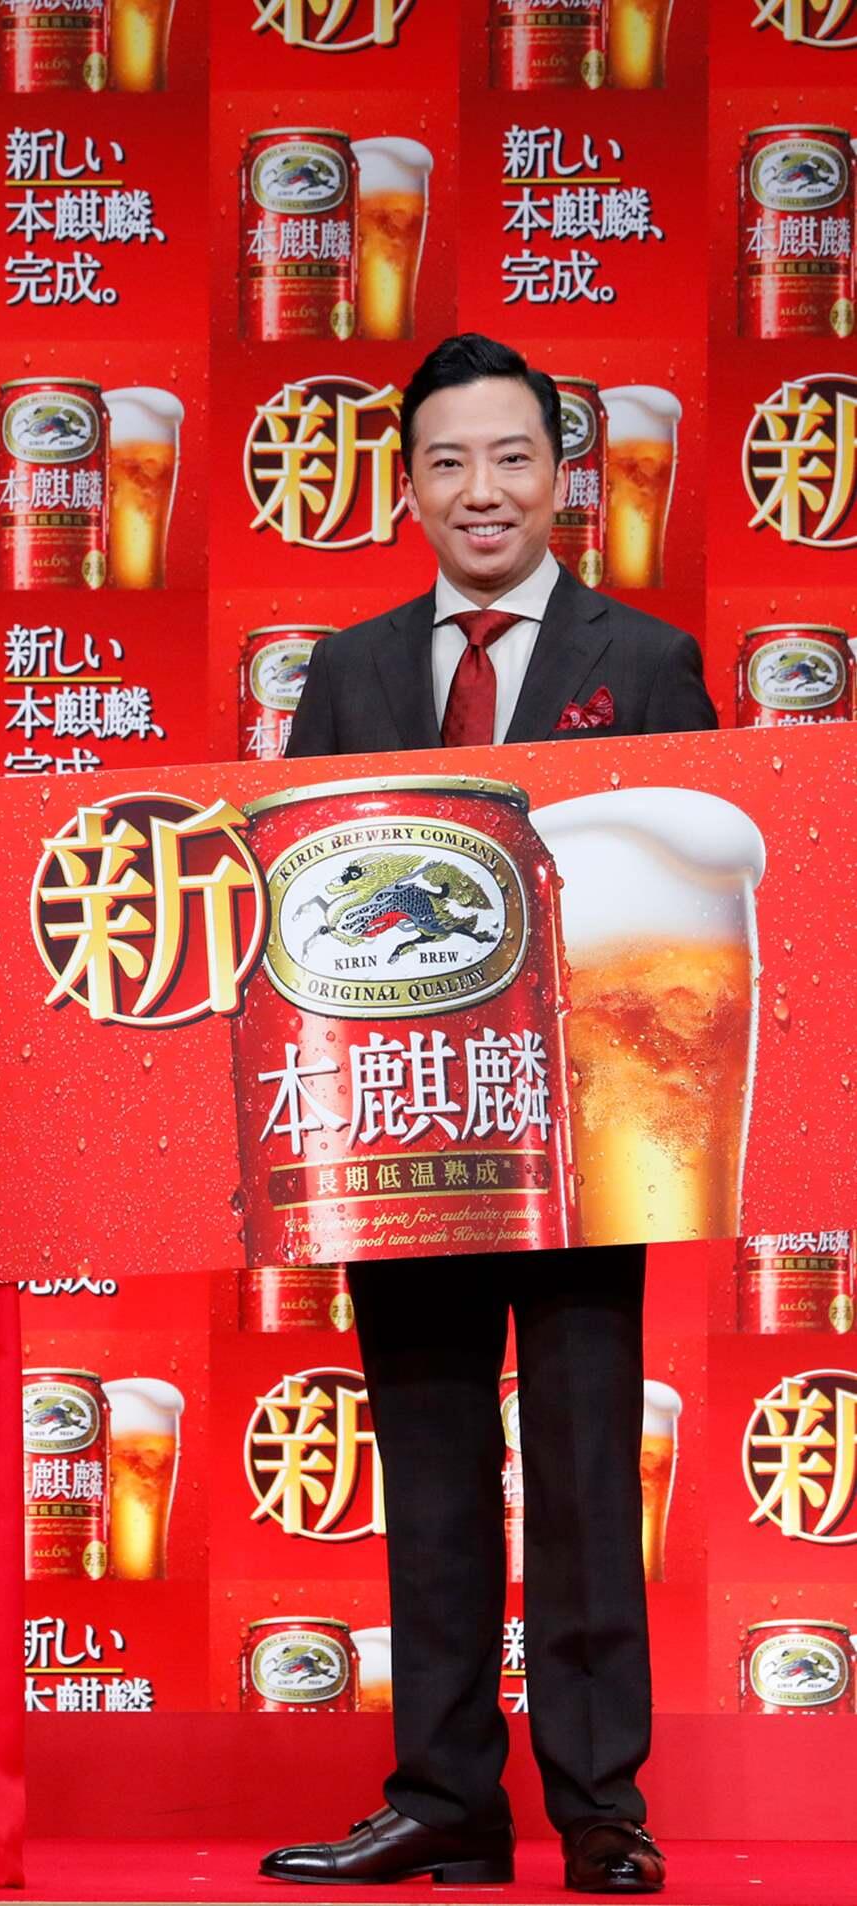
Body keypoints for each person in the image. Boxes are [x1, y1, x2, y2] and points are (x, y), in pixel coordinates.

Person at [262, 334, 712, 1897]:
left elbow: (692, 895)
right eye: (447, 460)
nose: (482, 489)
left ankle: (600, 1803)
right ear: (408, 486)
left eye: (511, 456)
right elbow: (293, 907)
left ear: (560, 475)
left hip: (589, 1136)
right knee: (431, 1463)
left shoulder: (645, 659)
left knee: (584, 1462)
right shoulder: (352, 672)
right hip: (405, 1136)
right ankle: (444, 1794)